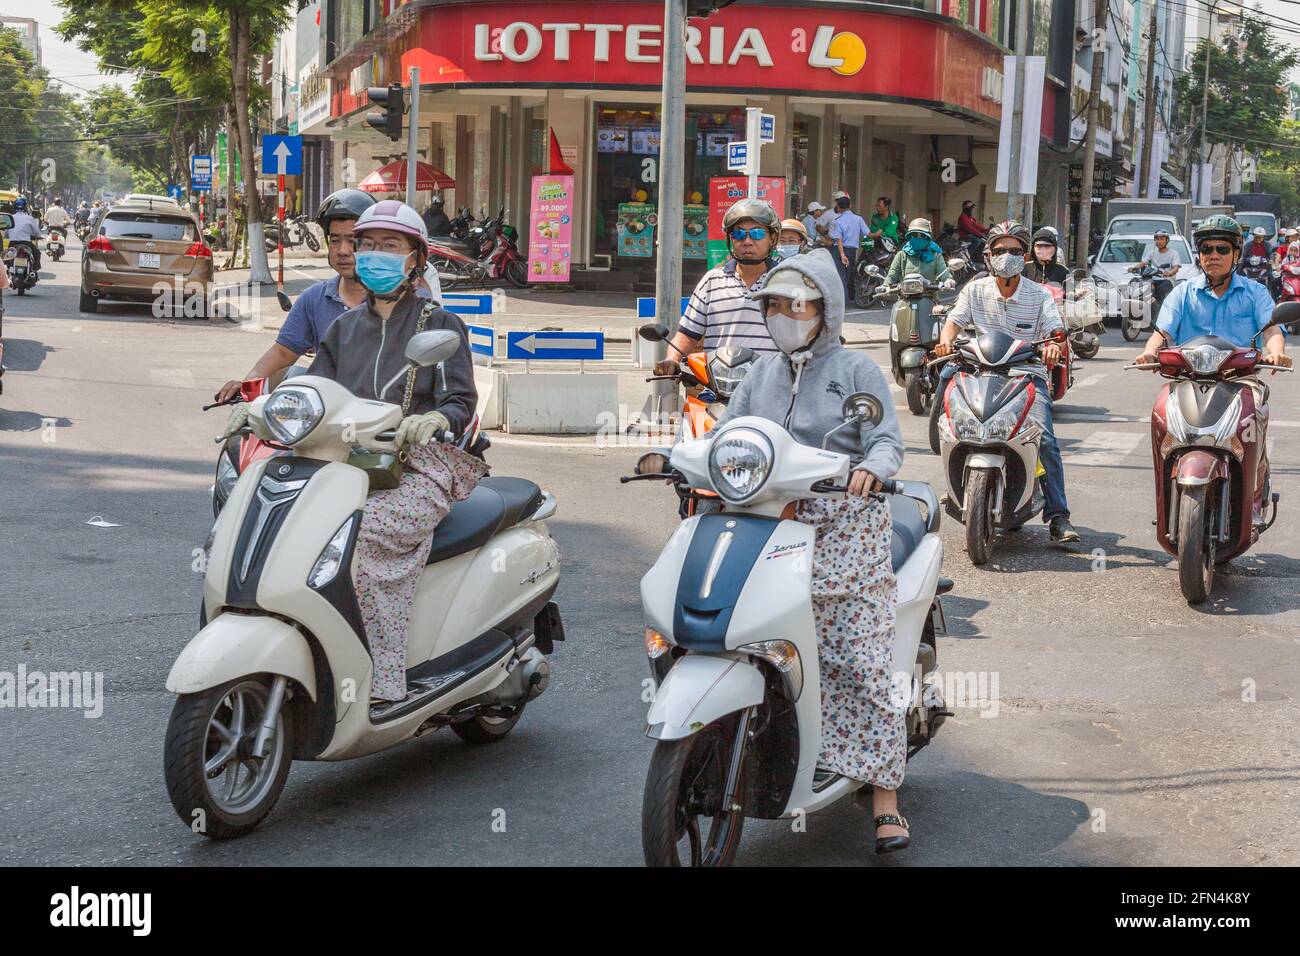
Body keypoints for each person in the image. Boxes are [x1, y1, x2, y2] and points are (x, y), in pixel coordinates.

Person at [221, 200, 486, 705]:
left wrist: (433, 419)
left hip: (420, 464)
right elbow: (312, 390)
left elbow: (460, 401)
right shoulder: (343, 327)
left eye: (389, 247)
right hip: (342, 459)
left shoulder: (439, 323)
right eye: (367, 246)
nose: (372, 255)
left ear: (415, 259)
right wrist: (262, 410)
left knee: (355, 542)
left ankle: (380, 678)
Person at [716, 247, 911, 854]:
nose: (783, 315)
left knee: (859, 662)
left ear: (825, 309)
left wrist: (872, 471)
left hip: (845, 527)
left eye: (795, 304)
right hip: (767, 523)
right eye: (773, 304)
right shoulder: (760, 374)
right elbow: (730, 433)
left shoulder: (857, 371)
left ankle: (884, 799)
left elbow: (885, 440)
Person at [932, 220, 1080, 543]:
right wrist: (946, 341)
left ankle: (1058, 517)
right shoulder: (974, 290)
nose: (1006, 256)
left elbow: (1054, 332)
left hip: (1026, 374)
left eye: (1014, 250)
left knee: (1047, 440)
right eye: (1000, 250)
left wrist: (1054, 346)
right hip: (978, 370)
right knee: (948, 421)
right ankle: (955, 490)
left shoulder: (1039, 296)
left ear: (1024, 256)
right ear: (989, 255)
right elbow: (953, 323)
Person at [1137, 215, 1291, 521]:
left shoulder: (1254, 292)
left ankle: (1255, 492)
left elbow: (1272, 330)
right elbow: (1162, 333)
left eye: (1222, 249)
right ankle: (1166, 495)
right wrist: (1148, 352)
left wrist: (1276, 354)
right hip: (1186, 379)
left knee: (1257, 412)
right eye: (1207, 249)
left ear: (1236, 254)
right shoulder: (1182, 293)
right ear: (1199, 254)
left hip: (1241, 381)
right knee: (1160, 414)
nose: (1214, 256)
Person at [216, 188, 377, 403]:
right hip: (327, 414)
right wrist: (248, 385)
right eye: (335, 240)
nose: (343, 250)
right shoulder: (315, 299)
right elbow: (284, 352)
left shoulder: (394, 300)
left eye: (353, 241)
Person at [653, 198, 779, 374]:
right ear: (730, 239)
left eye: (757, 234)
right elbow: (688, 334)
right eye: (739, 234)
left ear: (772, 238)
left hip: (769, 387)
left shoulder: (785, 281)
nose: (747, 241)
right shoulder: (712, 281)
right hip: (718, 389)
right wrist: (672, 359)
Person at [884, 218, 955, 294]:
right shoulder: (901, 255)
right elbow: (892, 274)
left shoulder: (936, 255)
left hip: (929, 297)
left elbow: (944, 272)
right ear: (909, 237)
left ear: (928, 238)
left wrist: (948, 280)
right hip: (905, 298)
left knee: (940, 306)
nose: (918, 238)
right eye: (914, 235)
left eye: (922, 235)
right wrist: (885, 285)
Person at [831, 195, 870, 302]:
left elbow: (838, 239)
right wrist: (879, 233)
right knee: (848, 275)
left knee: (840, 275)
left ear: (839, 207)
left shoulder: (837, 221)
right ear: (850, 205)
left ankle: (843, 300)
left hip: (839, 251)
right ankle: (847, 299)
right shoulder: (858, 219)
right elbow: (868, 233)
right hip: (852, 251)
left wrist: (842, 255)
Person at [6, 197, 43, 270]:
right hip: (26, 243)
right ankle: (34, 270)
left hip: (13, 244)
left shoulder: (10, 218)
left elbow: (6, 233)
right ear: (25, 207)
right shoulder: (30, 218)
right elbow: (36, 232)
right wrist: (38, 236)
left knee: (7, 257)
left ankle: (9, 268)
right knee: (37, 253)